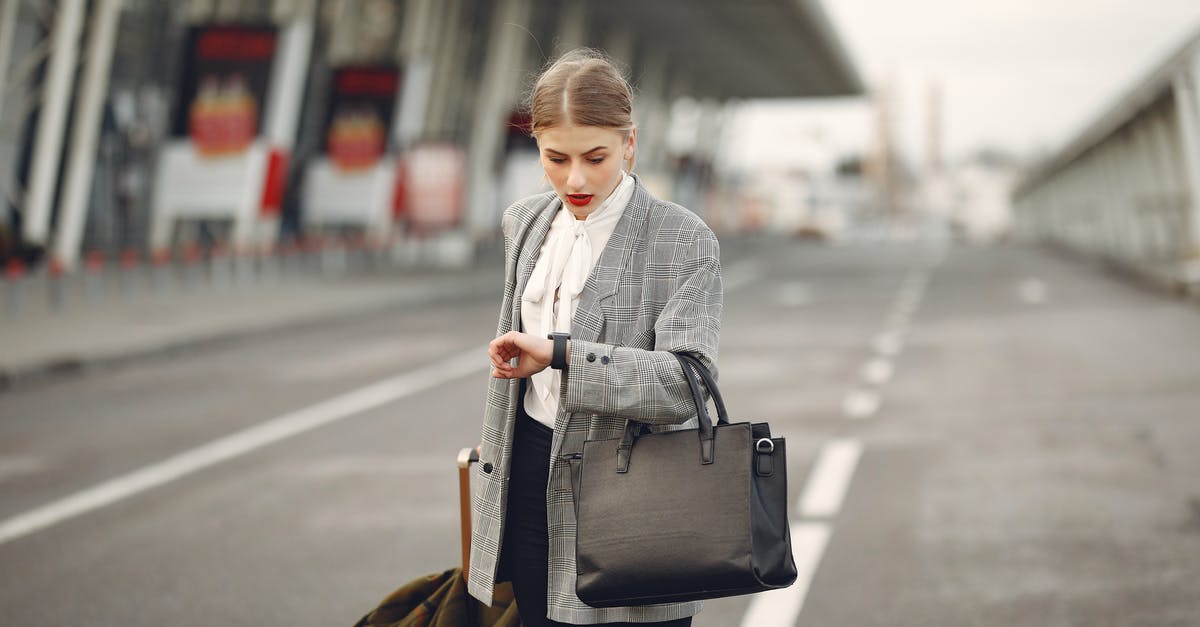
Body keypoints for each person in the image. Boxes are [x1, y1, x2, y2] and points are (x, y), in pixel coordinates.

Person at [468, 48, 722, 627]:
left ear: (629, 144)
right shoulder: (525, 223)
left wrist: (559, 355)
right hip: (529, 480)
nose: (575, 178)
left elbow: (685, 386)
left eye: (596, 156)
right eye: (556, 158)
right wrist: (497, 447)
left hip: (636, 491)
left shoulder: (682, 239)